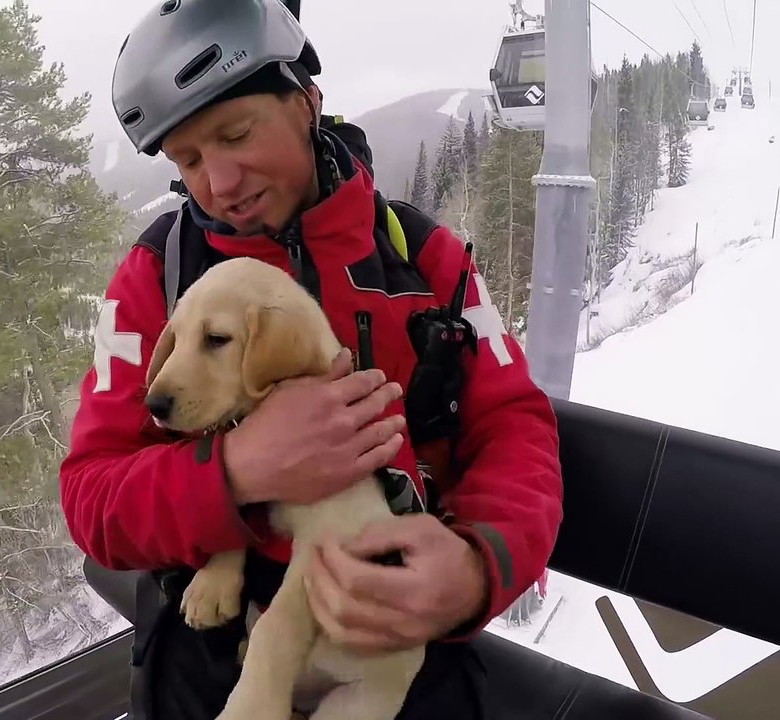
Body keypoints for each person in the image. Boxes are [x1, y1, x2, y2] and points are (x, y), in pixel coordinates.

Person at [58, 0, 563, 717]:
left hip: (391, 638)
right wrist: (235, 470)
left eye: (236, 134)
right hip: (212, 655)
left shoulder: (423, 260)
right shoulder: (156, 278)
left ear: (306, 103)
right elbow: (92, 498)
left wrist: (478, 566)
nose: (220, 183)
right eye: (190, 160)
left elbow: (514, 427)